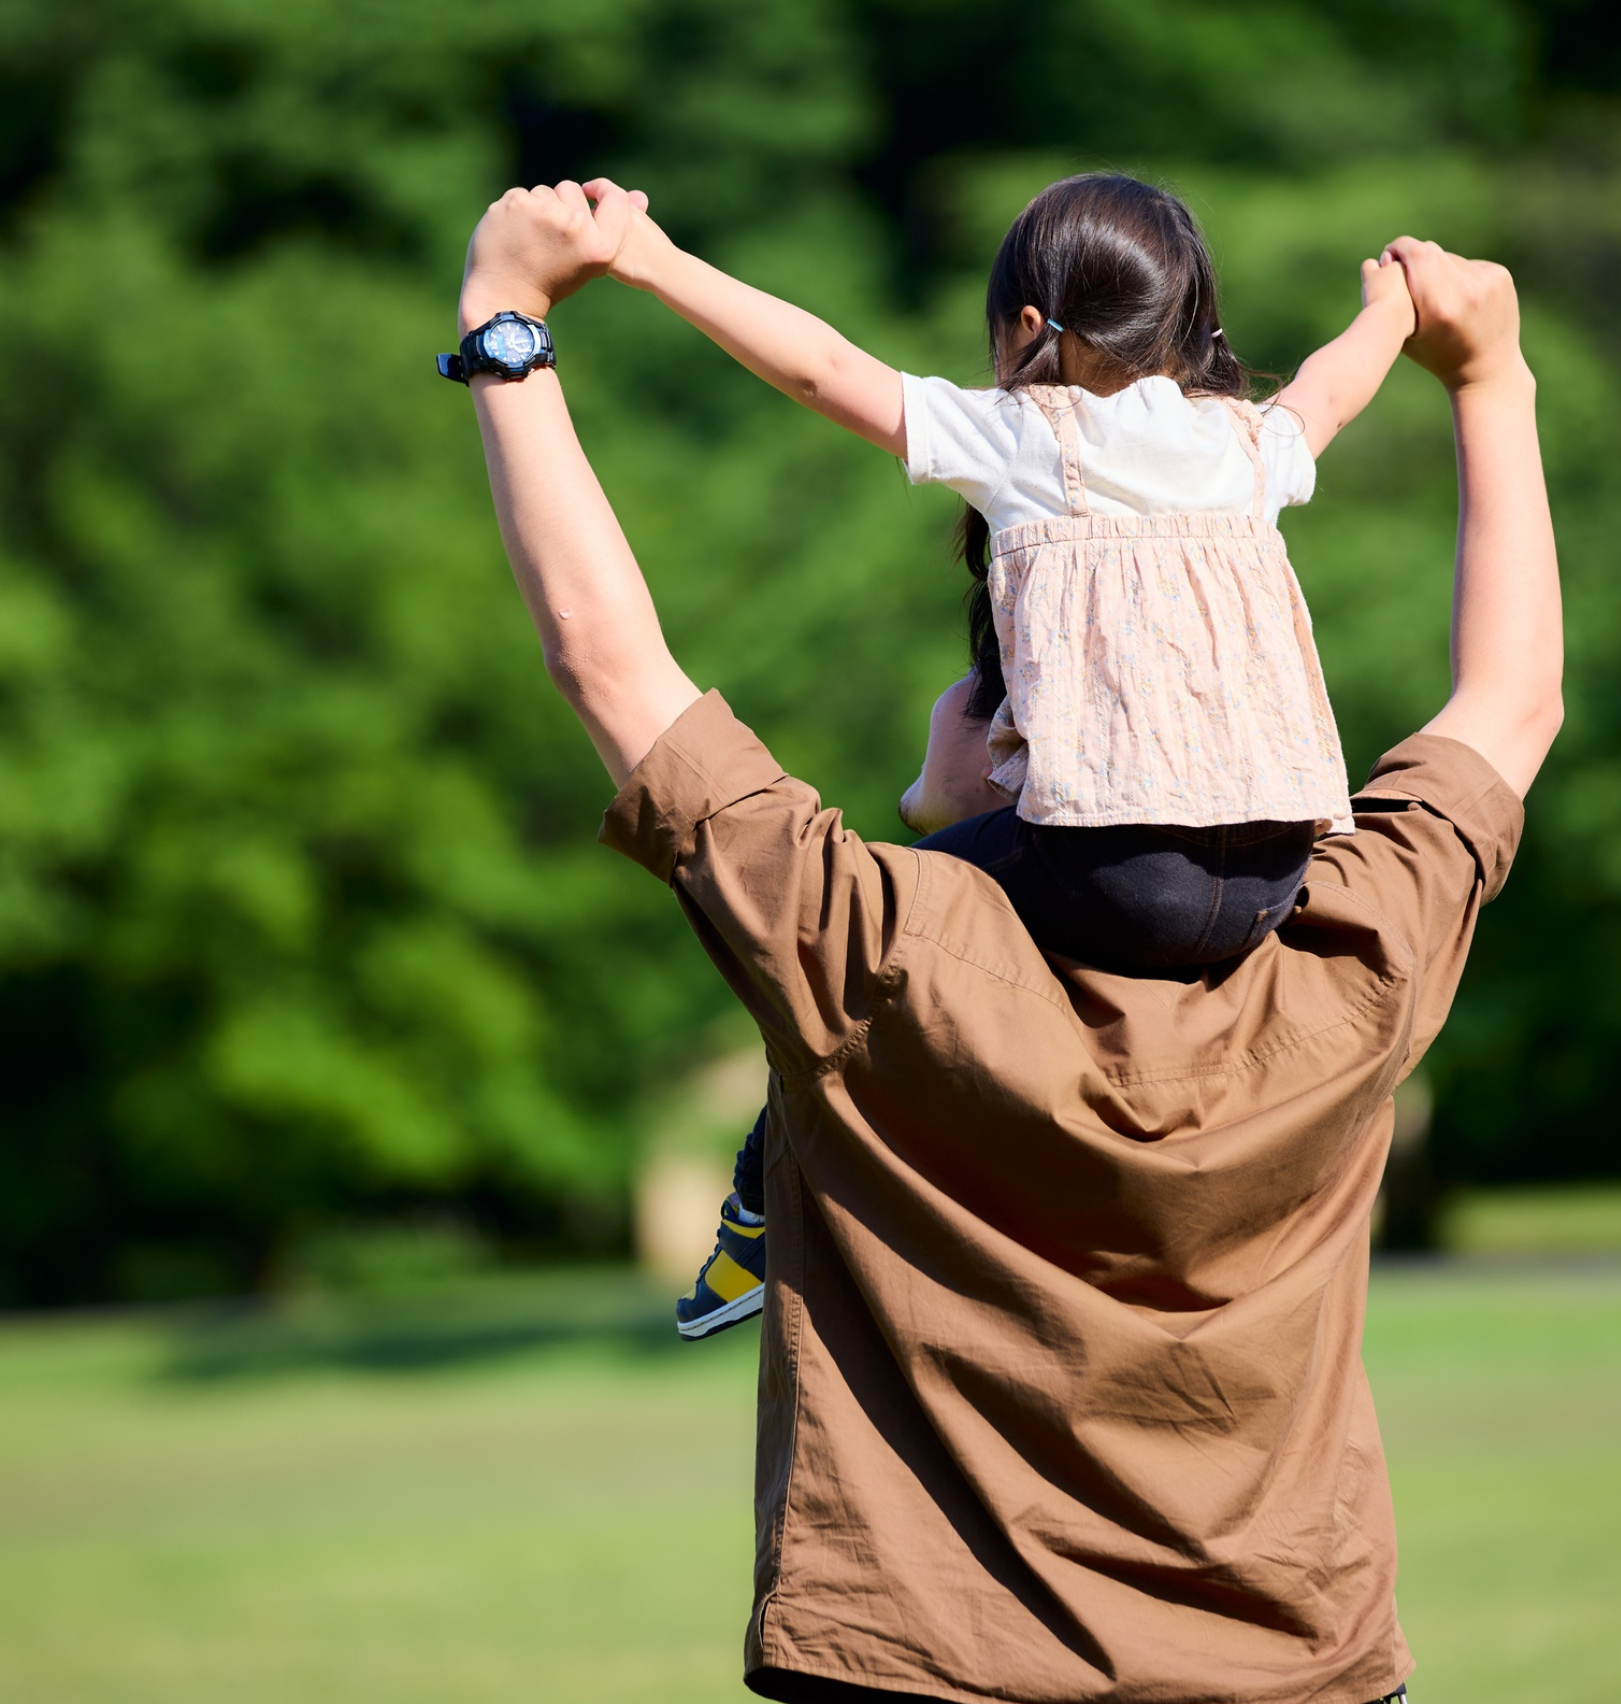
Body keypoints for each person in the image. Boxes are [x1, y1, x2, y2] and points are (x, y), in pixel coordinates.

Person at [452, 178, 1560, 1704]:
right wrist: (1487, 376)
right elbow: (1511, 702)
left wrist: (507, 329)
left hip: (934, 1670)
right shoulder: (1352, 956)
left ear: (1030, 730)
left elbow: (610, 664)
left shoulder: (871, 959)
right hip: (1299, 1669)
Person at [597, 173, 1420, 1339]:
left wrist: (652, 259)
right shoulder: (1245, 445)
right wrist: (1391, 307)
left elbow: (824, 369)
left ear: (1028, 329)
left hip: (1113, 869)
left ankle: (753, 1216)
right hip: (1276, 874)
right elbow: (1335, 385)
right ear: (1188, 330)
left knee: (858, 956)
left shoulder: (1030, 438)